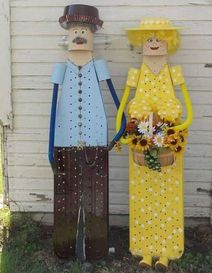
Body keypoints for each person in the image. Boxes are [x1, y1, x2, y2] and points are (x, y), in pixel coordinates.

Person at [48, 4, 126, 261]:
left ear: (93, 35)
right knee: (65, 199)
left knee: (96, 199)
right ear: (66, 36)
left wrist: (118, 134)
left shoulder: (99, 66)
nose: (79, 35)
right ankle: (64, 249)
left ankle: (96, 249)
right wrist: (50, 148)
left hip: (96, 140)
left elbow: (118, 105)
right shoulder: (61, 69)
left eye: (84, 30)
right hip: (63, 140)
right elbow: (52, 109)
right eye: (75, 31)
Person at [116, 18, 193, 270]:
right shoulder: (136, 74)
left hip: (167, 140)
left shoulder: (173, 72)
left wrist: (176, 128)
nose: (154, 44)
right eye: (149, 40)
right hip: (140, 137)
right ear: (141, 45)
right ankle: (145, 251)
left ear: (168, 43)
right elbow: (123, 108)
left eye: (158, 40)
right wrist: (129, 130)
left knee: (168, 194)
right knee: (143, 197)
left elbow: (187, 108)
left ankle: (167, 250)